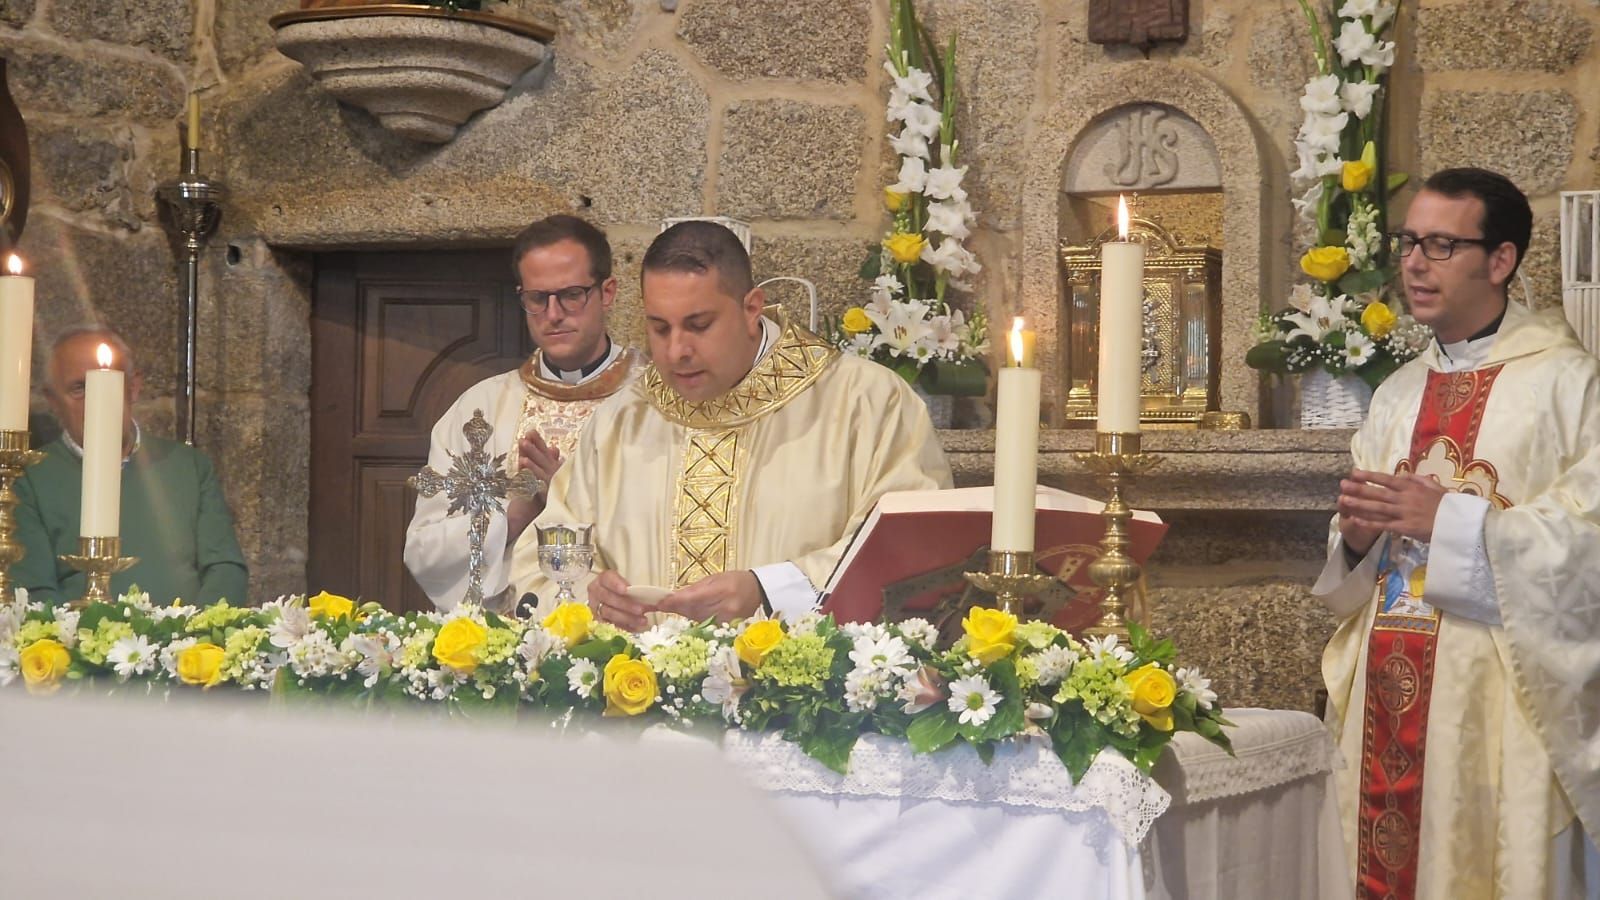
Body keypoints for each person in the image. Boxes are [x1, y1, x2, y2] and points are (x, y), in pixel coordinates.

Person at [1314, 168, 1599, 898]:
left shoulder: (1568, 385)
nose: (1414, 262)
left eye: (1441, 245)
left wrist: (1454, 523)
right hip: (1389, 689)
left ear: (1500, 260)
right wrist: (1353, 537)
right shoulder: (1398, 392)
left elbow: (1588, 542)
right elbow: (1355, 566)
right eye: (1410, 241)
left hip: (1498, 701)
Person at [511, 220, 952, 627]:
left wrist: (768, 590)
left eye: (699, 325)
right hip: (636, 702)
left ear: (751, 308)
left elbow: (908, 551)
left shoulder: (866, 403)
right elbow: (542, 557)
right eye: (659, 328)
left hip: (803, 705)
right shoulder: (621, 421)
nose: (677, 350)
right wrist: (588, 596)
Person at [404, 215, 644, 611]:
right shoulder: (479, 411)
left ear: (608, 292)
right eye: (538, 298)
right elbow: (423, 551)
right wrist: (512, 517)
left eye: (571, 294)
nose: (553, 314)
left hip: (621, 639)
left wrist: (567, 497)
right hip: (502, 645)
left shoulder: (654, 403)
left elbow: (675, 535)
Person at [14, 326, 248, 606]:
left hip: (189, 643)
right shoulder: (28, 477)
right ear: (53, 401)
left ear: (134, 387)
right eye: (79, 388)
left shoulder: (189, 466)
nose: (97, 400)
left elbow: (225, 568)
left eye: (110, 383)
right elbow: (32, 591)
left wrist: (198, 640)